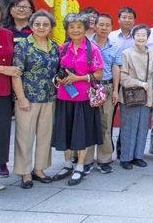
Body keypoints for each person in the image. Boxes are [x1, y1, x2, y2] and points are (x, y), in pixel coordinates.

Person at [51, 12, 104, 186]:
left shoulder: (92, 49)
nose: (75, 30)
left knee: (82, 132)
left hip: (83, 98)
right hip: (63, 96)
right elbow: (56, 70)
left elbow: (99, 74)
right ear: (67, 29)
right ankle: (67, 165)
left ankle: (80, 166)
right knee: (65, 131)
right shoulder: (62, 48)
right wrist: (59, 79)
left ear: (85, 28)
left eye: (79, 27)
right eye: (71, 27)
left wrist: (78, 78)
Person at [11, 10, 58, 188]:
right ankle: (24, 172)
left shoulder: (54, 46)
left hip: (49, 97)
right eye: (37, 24)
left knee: (45, 135)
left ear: (51, 27)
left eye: (45, 24)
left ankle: (39, 169)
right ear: (31, 26)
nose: (41, 27)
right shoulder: (23, 46)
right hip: (28, 97)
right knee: (25, 136)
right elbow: (16, 74)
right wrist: (21, 98)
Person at [85, 14, 121, 174]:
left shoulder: (115, 47)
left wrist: (115, 90)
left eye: (107, 25)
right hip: (89, 88)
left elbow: (116, 68)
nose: (104, 28)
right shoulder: (86, 44)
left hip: (106, 88)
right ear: (95, 26)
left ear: (111, 28)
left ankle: (104, 160)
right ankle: (85, 160)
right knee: (88, 124)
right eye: (101, 25)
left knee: (106, 125)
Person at [119, 24, 153, 170]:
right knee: (129, 127)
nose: (141, 38)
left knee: (142, 127)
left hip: (146, 96)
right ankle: (125, 158)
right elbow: (122, 76)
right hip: (131, 95)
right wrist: (139, 83)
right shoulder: (126, 53)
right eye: (138, 35)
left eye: (143, 35)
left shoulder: (151, 54)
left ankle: (138, 156)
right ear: (133, 37)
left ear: (148, 37)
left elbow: (152, 76)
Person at [0, 0, 22, 183]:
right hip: (3, 77)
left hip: (4, 89)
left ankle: (1, 161)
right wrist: (3, 69)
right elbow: (7, 67)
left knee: (3, 126)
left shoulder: (7, 34)